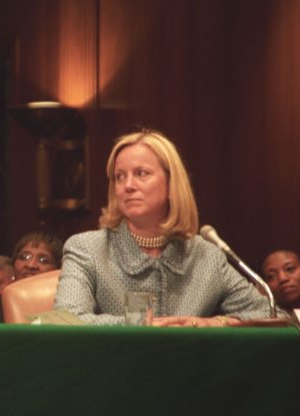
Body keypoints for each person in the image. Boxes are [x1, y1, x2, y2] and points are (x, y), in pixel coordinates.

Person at [55, 129, 270, 326]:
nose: (128, 186)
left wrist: (216, 323)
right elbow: (66, 320)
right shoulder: (87, 248)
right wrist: (138, 325)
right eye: (120, 177)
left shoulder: (207, 256)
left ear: (171, 183)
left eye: (141, 174)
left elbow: (271, 315)